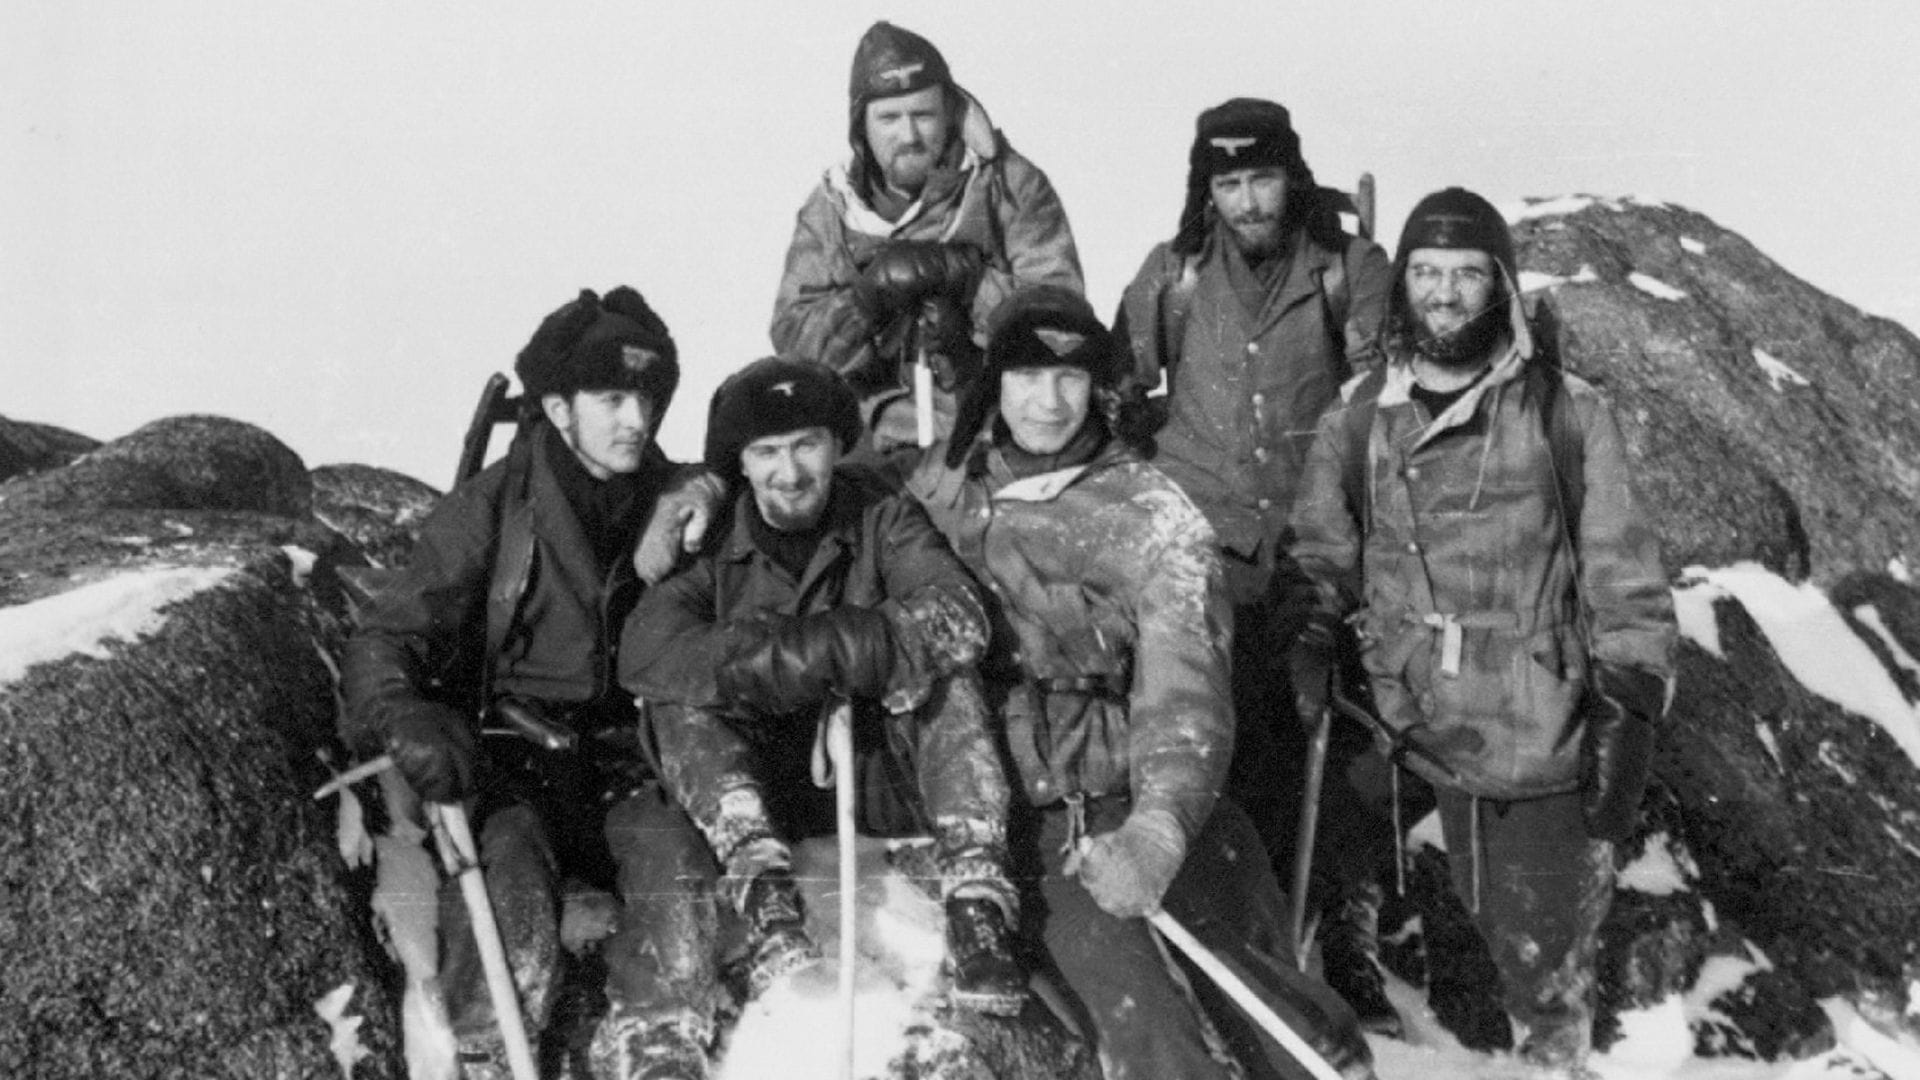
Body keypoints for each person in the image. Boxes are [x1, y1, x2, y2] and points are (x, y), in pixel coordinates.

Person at [898, 286, 1374, 1080]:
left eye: (1071, 379)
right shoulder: (938, 489)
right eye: (1025, 377)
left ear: (1098, 388)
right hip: (1029, 823)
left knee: (1287, 1028)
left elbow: (1185, 691)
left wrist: (1157, 828)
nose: (1047, 402)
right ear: (994, 382)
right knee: (1152, 1035)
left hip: (1141, 794)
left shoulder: (1151, 514)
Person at [1286, 187, 1677, 1078]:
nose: (1446, 294)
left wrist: (1630, 709)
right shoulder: (1361, 414)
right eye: (1427, 272)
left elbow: (1626, 579)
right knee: (1320, 874)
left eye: (1468, 274)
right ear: (1403, 285)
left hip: (1530, 722)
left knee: (1544, 966)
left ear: (1500, 285)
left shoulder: (1566, 412)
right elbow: (1322, 547)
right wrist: (1310, 623)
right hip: (1399, 709)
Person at [340, 287, 728, 1080]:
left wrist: (706, 487)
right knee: (511, 876)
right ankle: (487, 1056)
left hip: (630, 761)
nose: (636, 418)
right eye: (611, 398)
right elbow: (388, 634)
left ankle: (662, 1045)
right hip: (516, 761)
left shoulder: (674, 500)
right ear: (556, 406)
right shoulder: (491, 508)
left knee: (676, 860)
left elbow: (749, 478)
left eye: (647, 398)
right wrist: (403, 714)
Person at [617, 356, 1028, 1019]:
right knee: (678, 698)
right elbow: (648, 652)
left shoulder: (883, 515)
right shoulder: (711, 539)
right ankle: (765, 893)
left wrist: (856, 644)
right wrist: (785, 661)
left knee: (948, 676)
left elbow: (958, 613)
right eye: (767, 451)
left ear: (836, 445)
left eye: (807, 444)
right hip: (769, 781)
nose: (791, 470)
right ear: (738, 466)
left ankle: (976, 901)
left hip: (875, 773)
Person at [1113, 95, 1399, 1029]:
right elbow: (1117, 384)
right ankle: (1221, 926)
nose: (1248, 201)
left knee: (1346, 720)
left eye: (1263, 178)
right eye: (1228, 183)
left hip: (1316, 541)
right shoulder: (1174, 277)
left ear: (1293, 175)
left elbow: (1384, 403)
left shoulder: (1348, 271)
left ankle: (1340, 918)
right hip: (1201, 546)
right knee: (1211, 729)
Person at [771, 19, 1084, 452]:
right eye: (889, 118)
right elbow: (794, 342)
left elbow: (1062, 322)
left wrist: (973, 286)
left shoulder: (1007, 186)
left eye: (923, 115)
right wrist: (866, 300)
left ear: (950, 114)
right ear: (861, 125)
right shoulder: (833, 207)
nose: (909, 135)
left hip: (991, 427)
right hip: (873, 432)